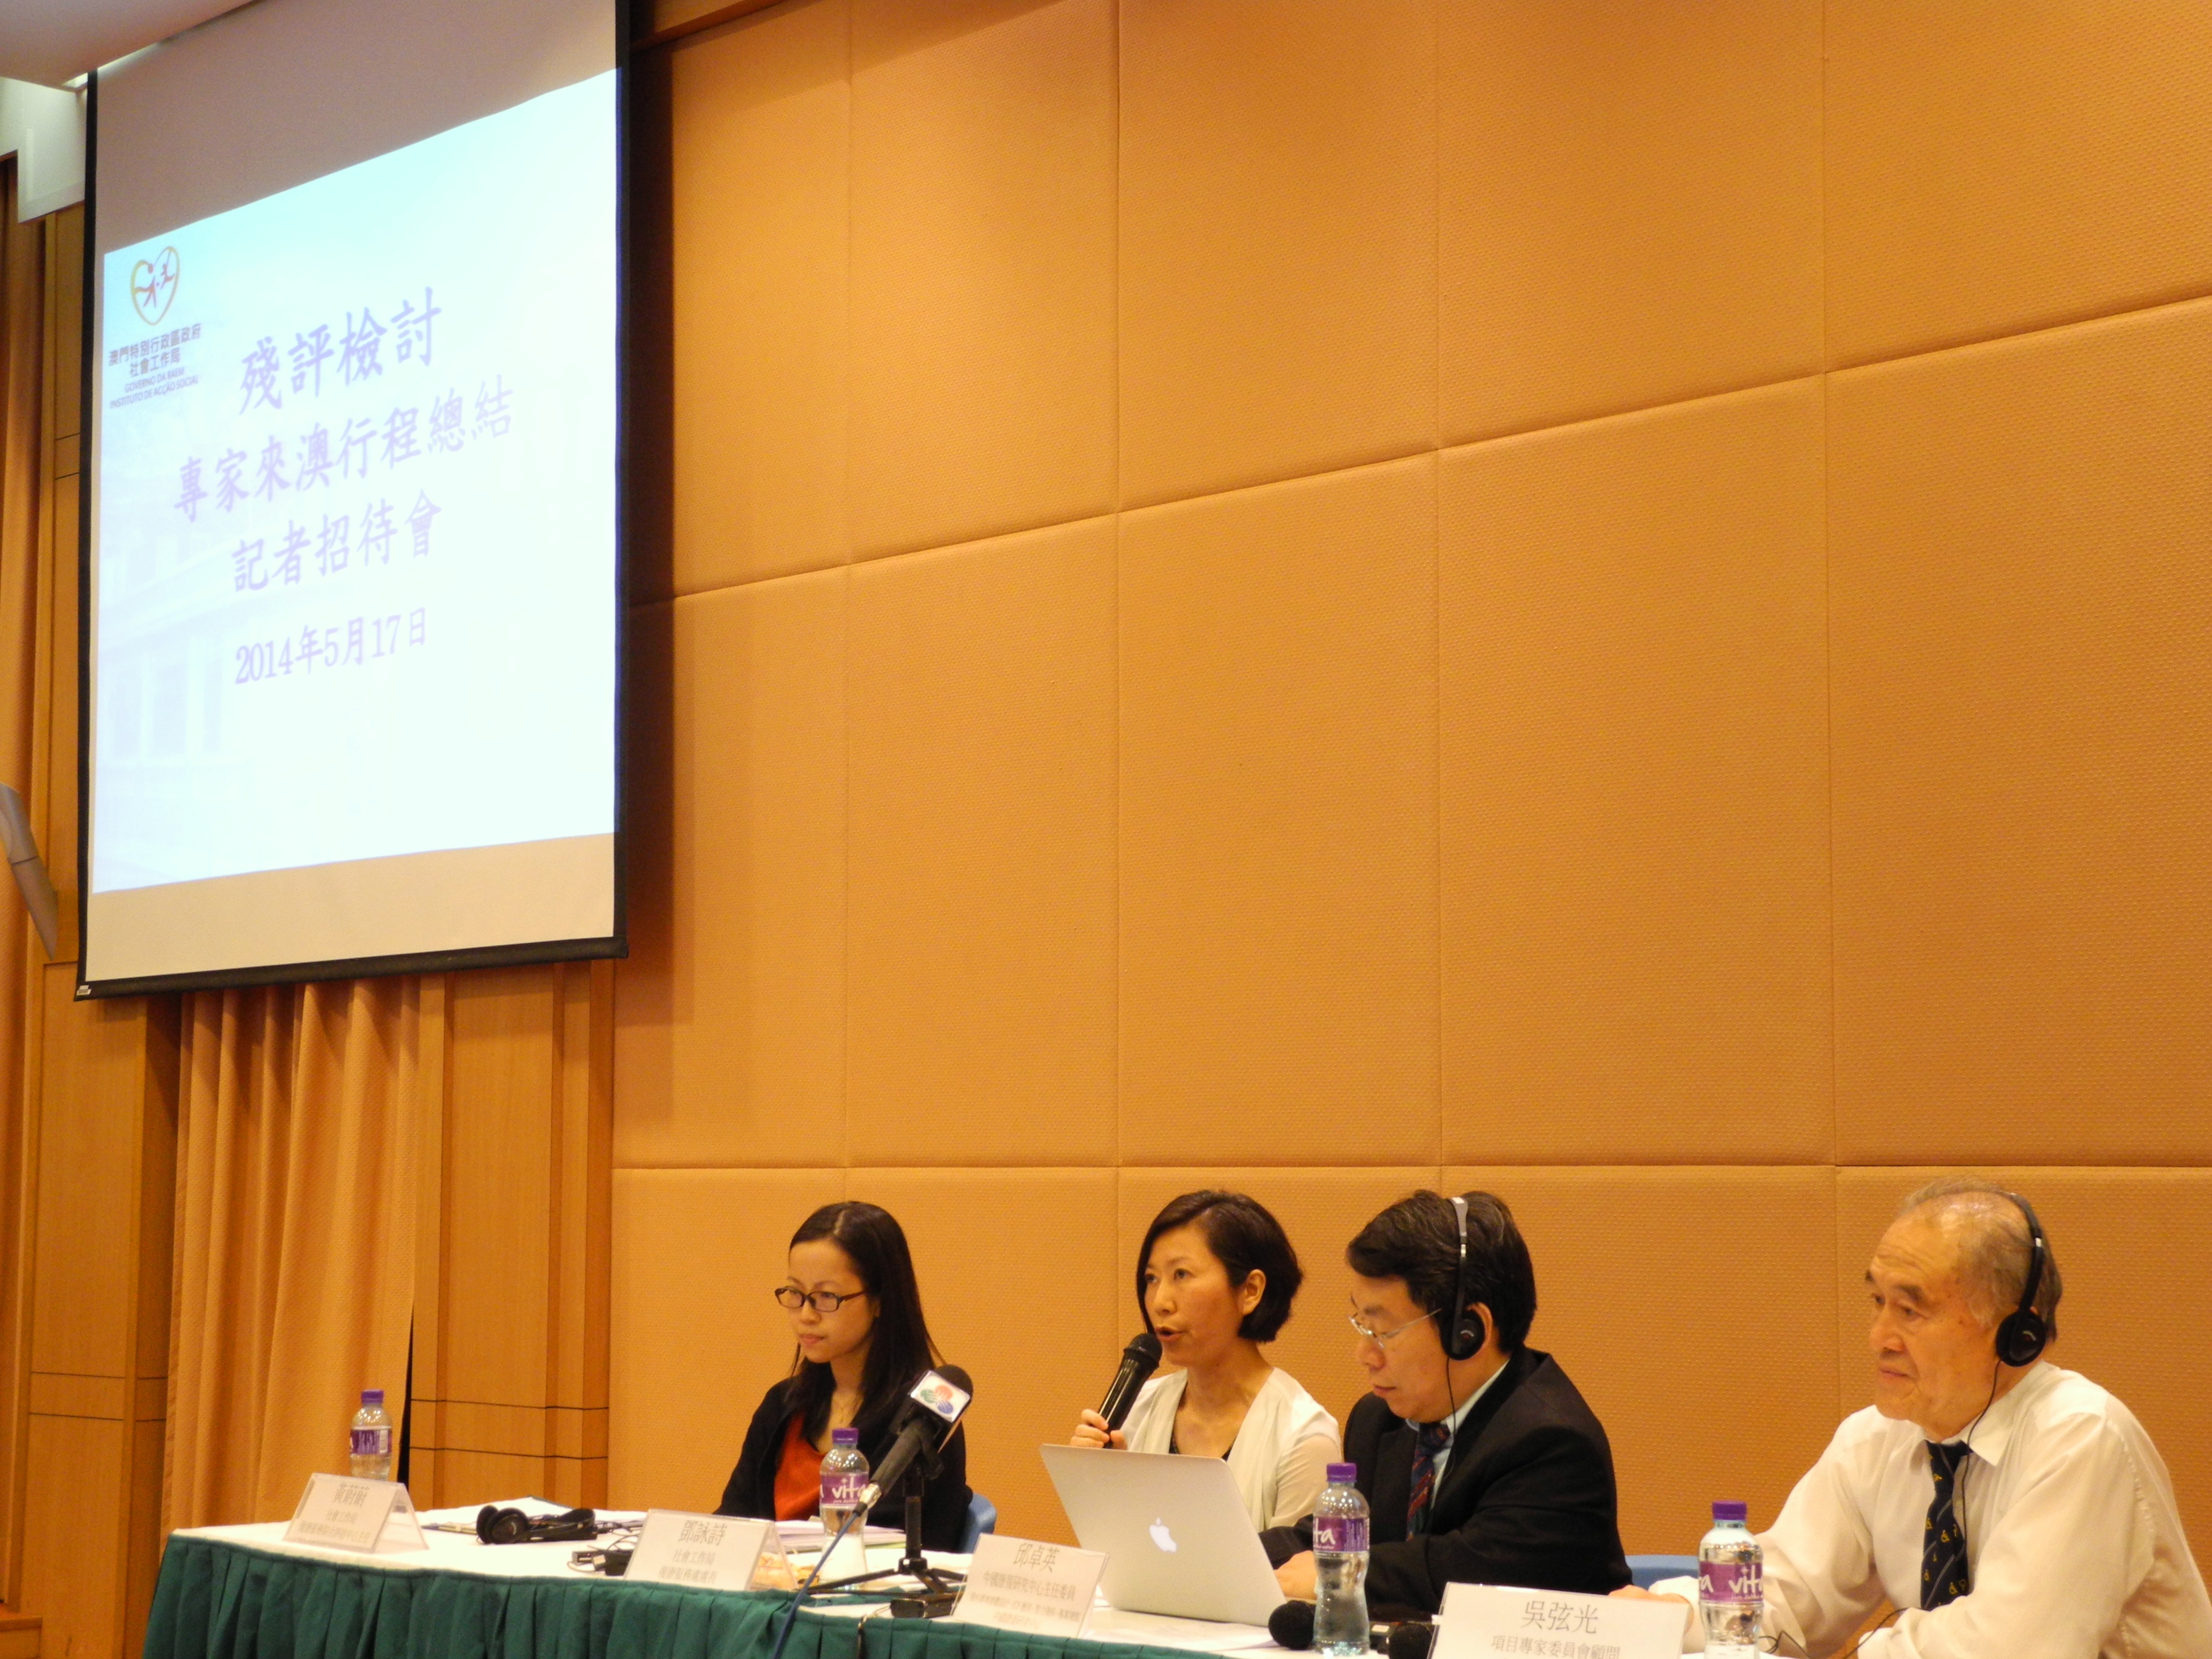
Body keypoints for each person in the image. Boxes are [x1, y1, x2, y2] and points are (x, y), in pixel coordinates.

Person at [1624, 1177, 2212, 1657]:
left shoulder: (2081, 1437)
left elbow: (2007, 1648)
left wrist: (1867, 1650)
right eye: (1878, 1302)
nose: (1879, 1337)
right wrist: (1661, 1620)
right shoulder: (1876, 1440)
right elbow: (1791, 1594)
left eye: (1911, 1311)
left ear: (2016, 1332)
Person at [1265, 1190, 1629, 1614]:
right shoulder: (1379, 1420)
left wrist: (1340, 1573)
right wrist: (1226, 1556)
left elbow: (1476, 1573)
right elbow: (1332, 1536)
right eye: (1361, 1325)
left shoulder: (1553, 1441)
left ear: (1468, 1331)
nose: (1364, 1355)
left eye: (1384, 1332)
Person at [1069, 1190, 1341, 1529]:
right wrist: (1099, 1485)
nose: (1160, 1302)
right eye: (1152, 1279)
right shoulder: (1138, 1410)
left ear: (1250, 1290)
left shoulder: (1303, 1437)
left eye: (1181, 1275)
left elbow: (1294, 1562)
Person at [717, 1200, 973, 1551]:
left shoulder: (923, 1419)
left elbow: (909, 1548)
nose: (806, 1315)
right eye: (796, 1293)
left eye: (827, 1296)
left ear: (880, 1300)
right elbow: (733, 1521)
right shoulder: (782, 1405)